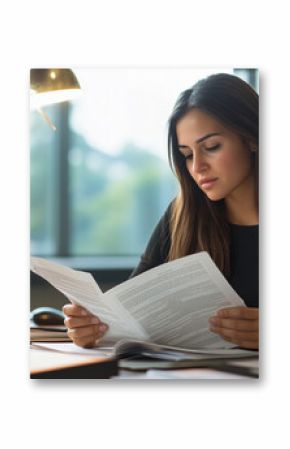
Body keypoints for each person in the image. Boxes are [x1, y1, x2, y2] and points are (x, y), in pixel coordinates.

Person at [63, 73, 259, 350]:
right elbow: (128, 314)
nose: (197, 167)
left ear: (252, 138)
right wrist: (94, 327)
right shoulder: (182, 215)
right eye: (187, 154)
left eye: (212, 147)